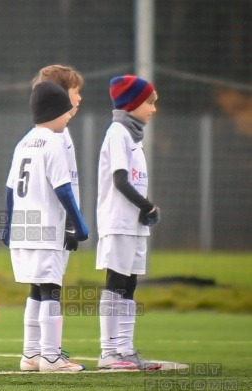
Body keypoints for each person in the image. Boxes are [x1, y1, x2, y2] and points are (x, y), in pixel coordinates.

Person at [2, 82, 89, 372]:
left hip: (23, 229)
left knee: (36, 289)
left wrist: (7, 226)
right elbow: (63, 189)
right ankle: (51, 357)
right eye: (66, 110)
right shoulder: (54, 142)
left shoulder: (24, 141)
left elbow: (10, 189)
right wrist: (78, 225)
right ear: (55, 111)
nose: (69, 116)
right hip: (46, 228)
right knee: (51, 289)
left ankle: (31, 355)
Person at [96, 75, 161, 370]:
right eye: (150, 102)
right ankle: (109, 352)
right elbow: (120, 180)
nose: (154, 108)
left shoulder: (134, 134)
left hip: (134, 225)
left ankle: (126, 350)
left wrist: (144, 213)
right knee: (116, 282)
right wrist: (147, 207)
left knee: (130, 285)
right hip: (119, 222)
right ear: (133, 103)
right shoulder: (118, 132)